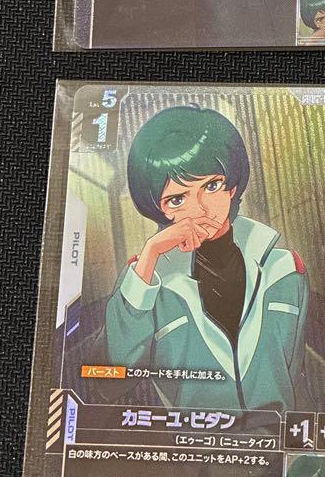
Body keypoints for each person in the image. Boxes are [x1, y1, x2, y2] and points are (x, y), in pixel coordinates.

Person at [105, 105, 308, 413]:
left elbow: (296, 375)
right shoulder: (146, 281)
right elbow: (112, 379)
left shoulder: (285, 270)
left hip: (273, 435)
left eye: (211, 186)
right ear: (160, 209)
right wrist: (150, 254)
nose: (200, 209)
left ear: (232, 188)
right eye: (177, 198)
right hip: (190, 437)